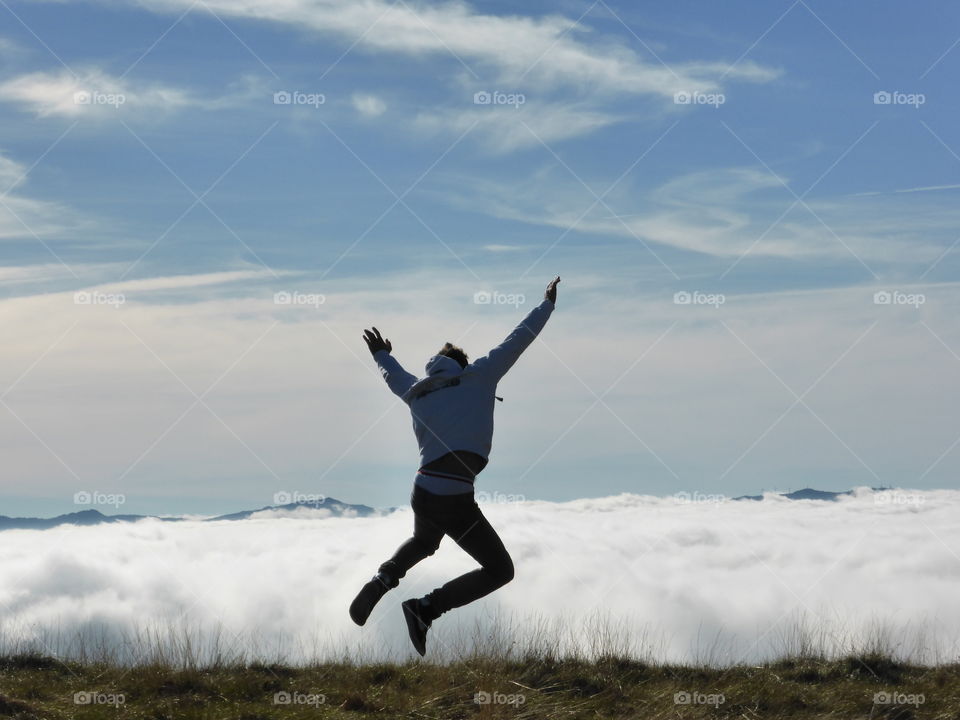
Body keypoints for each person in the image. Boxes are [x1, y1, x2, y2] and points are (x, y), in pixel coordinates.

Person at [350, 277, 560, 655]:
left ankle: (384, 577)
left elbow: (391, 374)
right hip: (453, 496)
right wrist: (546, 305)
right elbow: (519, 339)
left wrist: (380, 354)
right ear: (462, 365)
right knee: (500, 570)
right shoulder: (480, 375)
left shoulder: (417, 390)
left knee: (424, 542)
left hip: (423, 490)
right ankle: (425, 608)